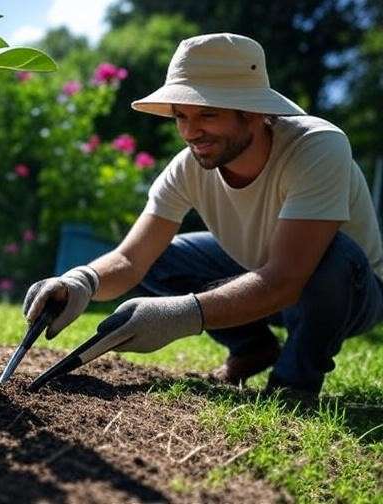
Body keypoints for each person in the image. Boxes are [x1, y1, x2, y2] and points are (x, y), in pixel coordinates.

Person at [23, 33, 383, 398]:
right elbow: (132, 259)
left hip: (348, 292)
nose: (191, 132)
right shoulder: (188, 167)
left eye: (208, 114)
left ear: (254, 113)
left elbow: (286, 279)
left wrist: (182, 314)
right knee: (161, 259)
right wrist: (80, 282)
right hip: (260, 273)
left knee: (332, 256)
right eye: (181, 116)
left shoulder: (318, 147)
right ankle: (252, 349)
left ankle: (292, 383)